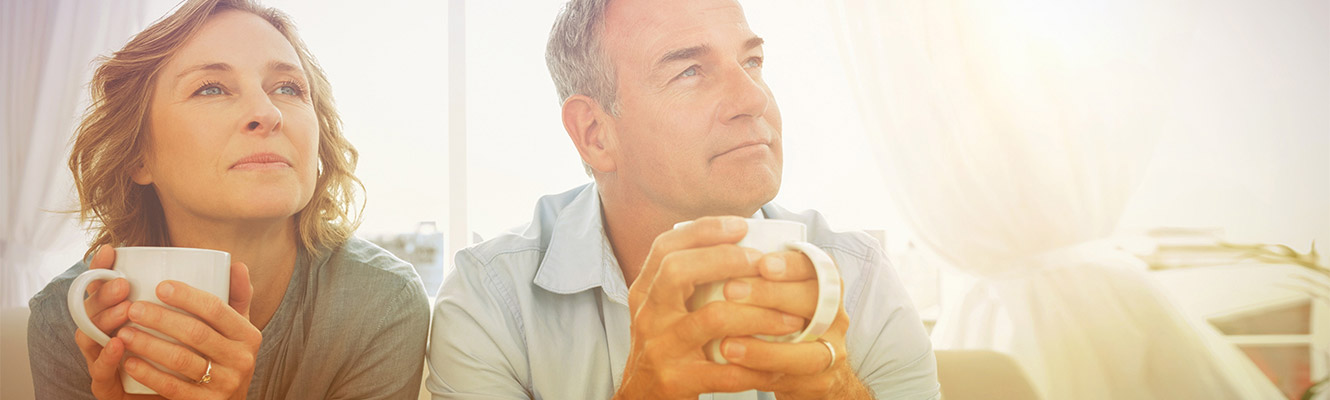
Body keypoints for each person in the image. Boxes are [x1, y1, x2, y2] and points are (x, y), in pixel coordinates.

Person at [426, 0, 940, 398]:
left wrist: (834, 391)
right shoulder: (491, 304)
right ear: (595, 134)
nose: (754, 98)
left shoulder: (860, 277)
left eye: (752, 61)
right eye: (689, 70)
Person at [26, 0, 430, 398]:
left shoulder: (382, 302)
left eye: (288, 87)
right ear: (138, 156)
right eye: (211, 88)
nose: (268, 112)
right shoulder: (69, 319)